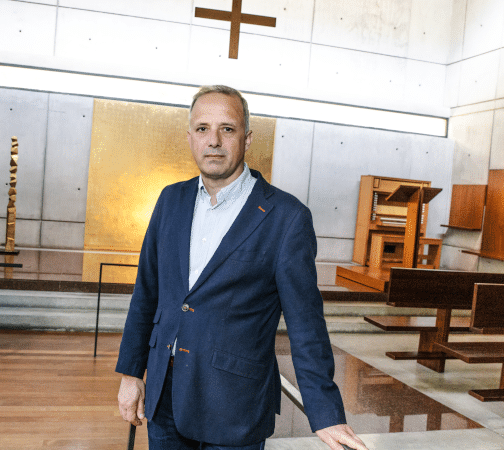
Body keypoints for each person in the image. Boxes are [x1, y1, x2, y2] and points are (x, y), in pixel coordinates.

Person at [116, 85, 369, 450]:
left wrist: (326, 413)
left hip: (235, 404)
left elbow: (305, 322)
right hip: (163, 394)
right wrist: (130, 373)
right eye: (202, 128)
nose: (213, 140)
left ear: (247, 138)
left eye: (227, 129)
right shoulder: (171, 199)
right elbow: (147, 293)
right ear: (190, 137)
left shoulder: (286, 217)